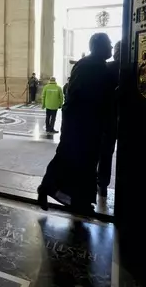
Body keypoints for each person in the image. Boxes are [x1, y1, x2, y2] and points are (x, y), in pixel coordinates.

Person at [37, 33, 115, 214]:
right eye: (108, 45)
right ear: (98, 46)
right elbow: (77, 95)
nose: (111, 48)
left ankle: (81, 201)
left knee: (84, 164)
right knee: (72, 161)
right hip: (80, 126)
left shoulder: (98, 65)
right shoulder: (87, 65)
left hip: (89, 125)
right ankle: (49, 188)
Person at [98, 41, 121, 197]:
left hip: (108, 118)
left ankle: (102, 184)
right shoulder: (133, 68)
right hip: (126, 118)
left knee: (104, 153)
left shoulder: (107, 68)